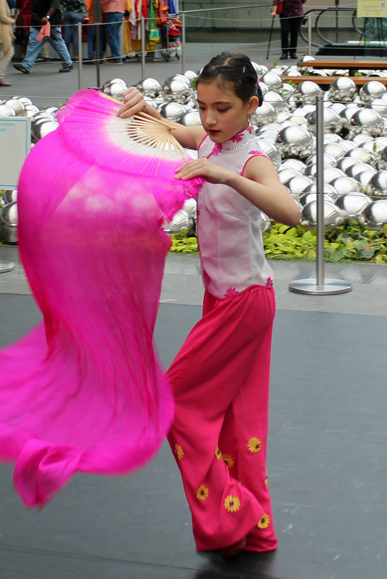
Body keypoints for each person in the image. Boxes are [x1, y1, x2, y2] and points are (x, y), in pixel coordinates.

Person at [118, 52, 301, 558]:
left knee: (173, 404)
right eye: (202, 107)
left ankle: (235, 512)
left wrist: (228, 179)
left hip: (245, 300)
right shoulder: (208, 139)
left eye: (222, 107)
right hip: (222, 297)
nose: (210, 119)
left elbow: (293, 212)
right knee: (238, 422)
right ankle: (256, 529)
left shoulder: (250, 158)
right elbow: (166, 128)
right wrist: (140, 107)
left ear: (251, 105)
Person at [13, 0, 73, 73]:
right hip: (37, 21)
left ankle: (68, 63)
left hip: (51, 23)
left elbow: (54, 6)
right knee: (33, 43)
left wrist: (47, 16)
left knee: (58, 44)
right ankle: (26, 65)